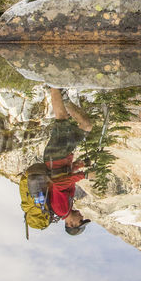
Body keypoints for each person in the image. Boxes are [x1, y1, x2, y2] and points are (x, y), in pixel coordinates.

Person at [43, 88, 94, 235]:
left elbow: (58, 184)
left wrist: (84, 176)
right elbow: (66, 177)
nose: (82, 217)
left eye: (80, 221)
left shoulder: (62, 210)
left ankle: (53, 85)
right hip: (62, 158)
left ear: (71, 224)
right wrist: (80, 165)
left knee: (61, 118)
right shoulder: (68, 206)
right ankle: (63, 97)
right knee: (86, 126)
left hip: (56, 158)